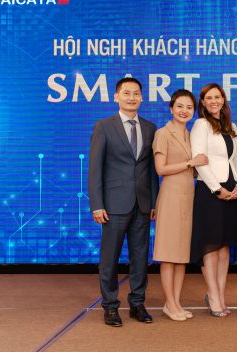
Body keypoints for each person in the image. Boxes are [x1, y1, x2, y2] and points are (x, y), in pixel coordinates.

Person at [88, 77, 158, 327]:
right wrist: (97, 204)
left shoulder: (150, 128)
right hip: (113, 204)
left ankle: (137, 303)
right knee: (110, 258)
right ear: (116, 97)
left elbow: (150, 169)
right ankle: (110, 306)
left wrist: (154, 201)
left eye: (136, 93)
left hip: (142, 204)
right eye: (126, 93)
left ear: (142, 97)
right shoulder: (104, 126)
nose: (132, 97)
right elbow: (95, 169)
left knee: (140, 257)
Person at [190, 83, 237, 317]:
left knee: (224, 247)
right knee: (210, 246)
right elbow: (199, 159)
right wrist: (217, 189)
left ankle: (220, 295)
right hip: (210, 193)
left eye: (218, 97)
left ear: (223, 99)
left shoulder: (231, 126)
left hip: (233, 193)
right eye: (209, 98)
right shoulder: (201, 125)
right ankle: (213, 295)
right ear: (203, 103)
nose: (214, 101)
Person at [152, 90, 208, 322]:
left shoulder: (190, 134)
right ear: (171, 108)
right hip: (171, 197)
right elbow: (160, 169)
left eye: (189, 107)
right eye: (180, 106)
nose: (184, 111)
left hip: (188, 198)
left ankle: (173, 302)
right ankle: (170, 302)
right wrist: (189, 163)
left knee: (181, 254)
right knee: (168, 254)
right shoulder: (162, 133)